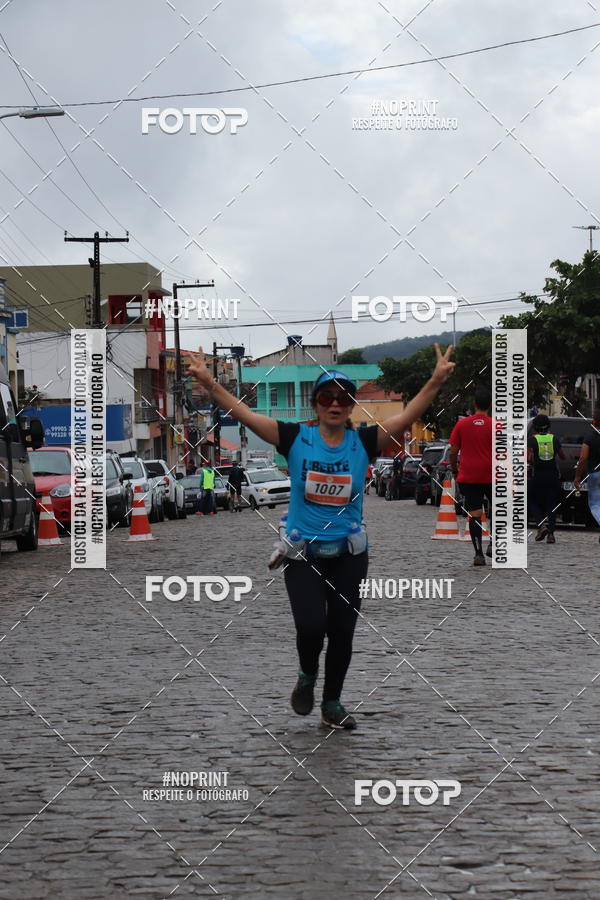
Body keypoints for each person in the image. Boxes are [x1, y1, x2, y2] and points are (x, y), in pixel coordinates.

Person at [188, 344, 455, 729]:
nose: (335, 404)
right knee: (312, 628)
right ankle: (307, 676)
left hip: (349, 553)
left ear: (350, 406)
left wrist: (434, 380)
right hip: (303, 553)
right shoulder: (294, 437)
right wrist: (212, 385)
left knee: (343, 631)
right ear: (316, 404)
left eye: (343, 398)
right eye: (327, 398)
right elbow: (243, 414)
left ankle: (332, 704)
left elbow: (410, 413)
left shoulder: (364, 442)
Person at [449, 386, 493, 566]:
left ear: (474, 404)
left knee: (474, 514)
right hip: (492, 476)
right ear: (490, 404)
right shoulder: (496, 425)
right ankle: (494, 543)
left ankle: (478, 554)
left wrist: (454, 469)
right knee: (498, 511)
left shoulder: (462, 424)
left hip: (469, 476)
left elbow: (453, 451)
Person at [527, 414, 564, 543]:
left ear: (535, 427)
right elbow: (562, 456)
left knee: (532, 501)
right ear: (548, 426)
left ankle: (541, 525)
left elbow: (528, 458)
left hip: (537, 475)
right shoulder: (553, 438)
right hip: (552, 475)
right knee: (551, 504)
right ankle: (551, 535)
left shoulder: (532, 439)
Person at [574, 406, 600, 539]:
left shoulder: (590, 437)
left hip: (595, 474)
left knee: (595, 504)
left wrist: (577, 477)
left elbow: (583, 458)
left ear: (594, 421)